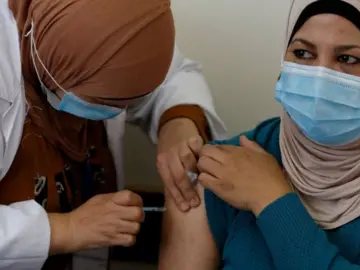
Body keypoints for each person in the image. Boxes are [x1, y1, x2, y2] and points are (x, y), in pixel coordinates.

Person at [158, 0, 360, 269]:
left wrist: (270, 199)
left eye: (347, 58)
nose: (321, 76)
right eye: (303, 54)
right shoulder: (226, 165)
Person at [0, 0, 225, 269]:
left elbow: (165, 73)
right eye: (102, 101)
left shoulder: (115, 20)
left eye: (123, 103)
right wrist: (63, 231)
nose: (118, 112)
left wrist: (178, 120)